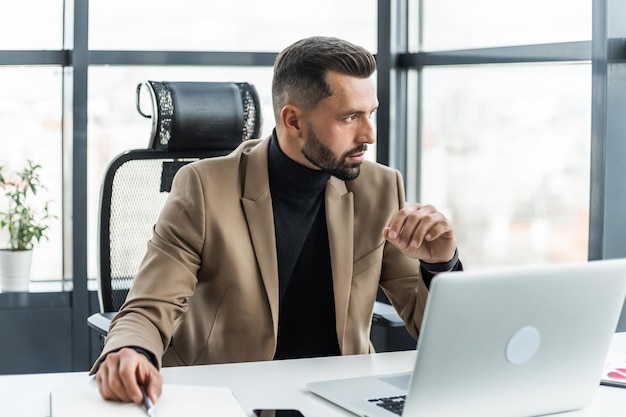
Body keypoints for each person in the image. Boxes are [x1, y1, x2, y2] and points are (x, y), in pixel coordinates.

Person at [90, 36, 462, 405]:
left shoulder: (379, 186)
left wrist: (440, 264)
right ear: (293, 121)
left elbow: (436, 331)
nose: (369, 134)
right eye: (350, 117)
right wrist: (130, 350)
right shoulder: (203, 187)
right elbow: (149, 305)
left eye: (371, 113)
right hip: (234, 397)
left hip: (340, 397)